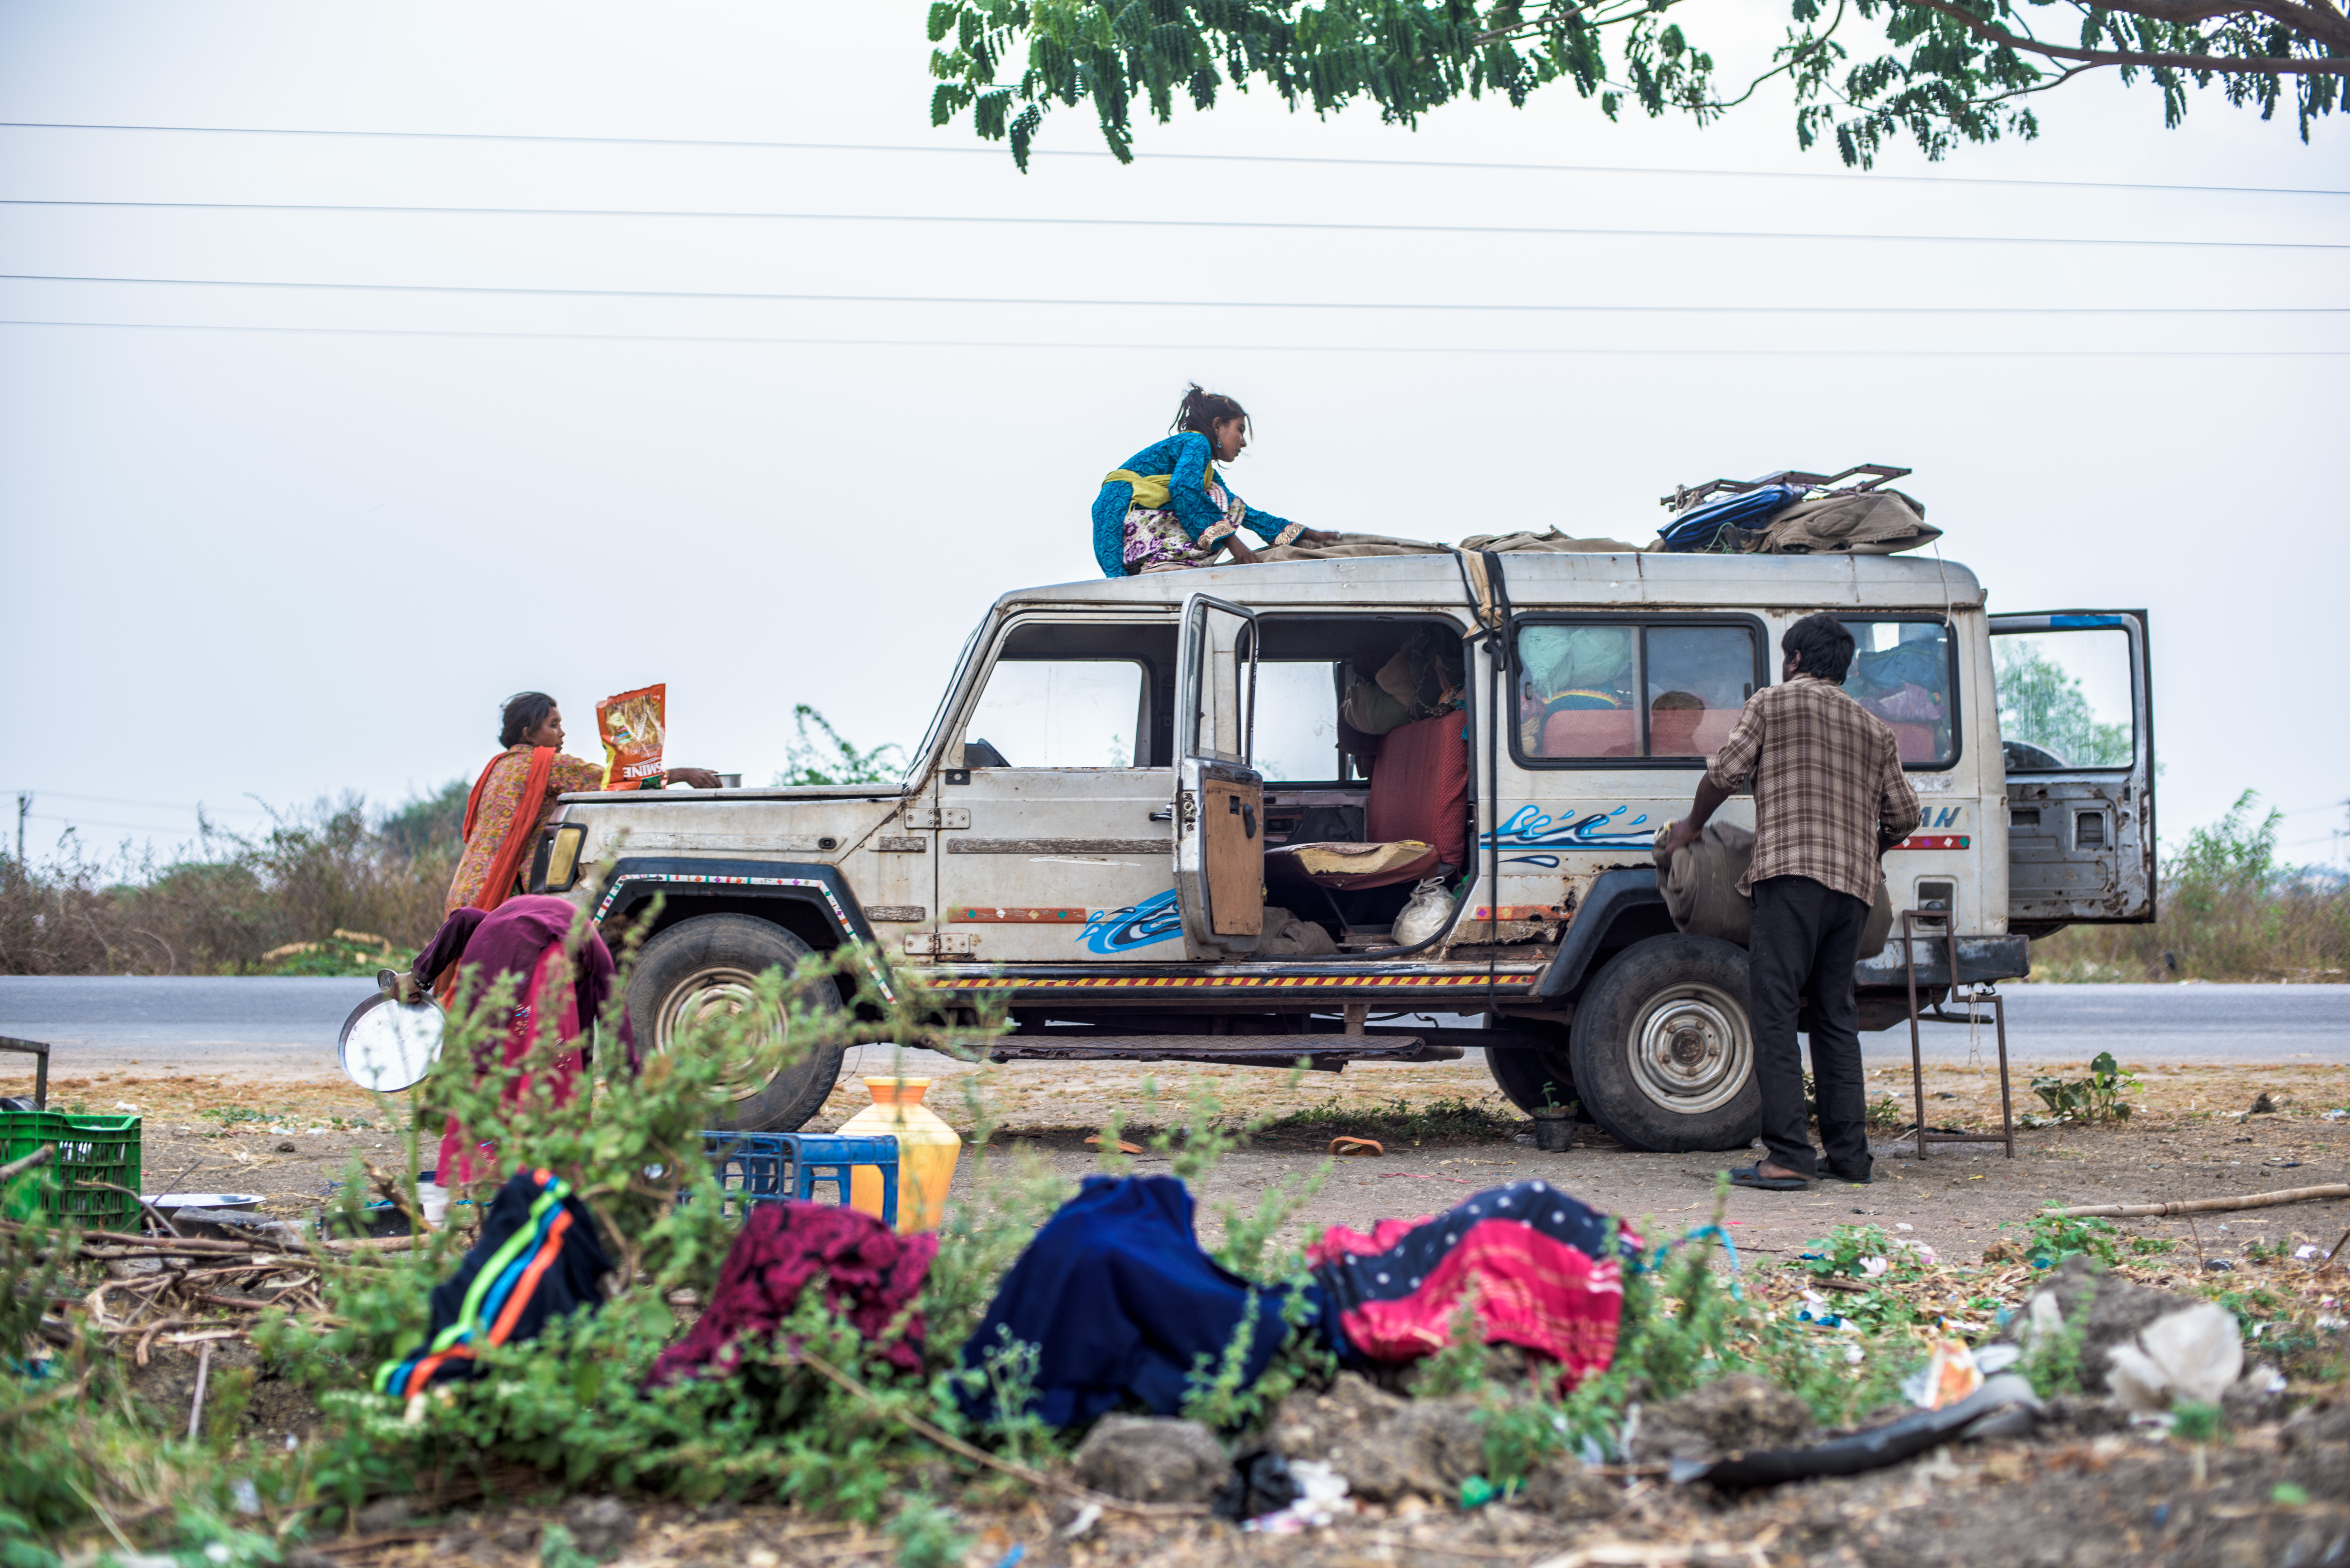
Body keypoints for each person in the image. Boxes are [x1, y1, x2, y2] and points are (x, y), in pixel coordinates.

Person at [1659, 613, 1919, 1191]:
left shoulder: (1773, 704)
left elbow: (1725, 772)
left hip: (1790, 879)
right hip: (1852, 891)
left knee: (1775, 1014)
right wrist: (1865, 850)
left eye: (1787, 656)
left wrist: (1690, 828)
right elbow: (1905, 816)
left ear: (1796, 658)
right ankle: (1851, 1158)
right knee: (1834, 1019)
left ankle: (1788, 1158)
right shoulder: (1876, 729)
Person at [409, 893, 633, 1189]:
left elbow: (462, 919)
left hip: (486, 973)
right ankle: (543, 1177)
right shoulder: (596, 951)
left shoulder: (534, 917)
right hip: (543, 974)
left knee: (489, 1071)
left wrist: (418, 976)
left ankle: (479, 1174)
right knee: (548, 1075)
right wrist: (629, 1100)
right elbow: (616, 1031)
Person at [444, 691, 721, 916]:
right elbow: (616, 782)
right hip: (498, 896)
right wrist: (682, 775)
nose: (562, 734)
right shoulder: (545, 764)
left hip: (467, 890)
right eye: (553, 726)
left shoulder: (499, 767)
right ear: (529, 735)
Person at [1092, 385, 1340, 576]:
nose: (1243, 442)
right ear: (1218, 426)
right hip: (1118, 513)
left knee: (1226, 501)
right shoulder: (1196, 442)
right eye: (1240, 430)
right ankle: (1165, 562)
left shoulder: (1203, 466)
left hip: (1121, 520)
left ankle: (1160, 563)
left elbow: (1246, 513)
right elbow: (1184, 489)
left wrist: (1306, 534)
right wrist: (1232, 542)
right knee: (1218, 500)